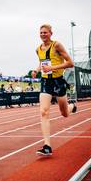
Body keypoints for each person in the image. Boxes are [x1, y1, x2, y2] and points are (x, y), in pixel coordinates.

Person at [32, 24, 77, 156]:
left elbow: (70, 63)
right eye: (41, 32)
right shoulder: (38, 49)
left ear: (51, 33)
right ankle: (47, 146)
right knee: (44, 112)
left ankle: (72, 106)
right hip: (46, 82)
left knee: (64, 113)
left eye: (45, 32)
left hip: (58, 81)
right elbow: (42, 63)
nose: (43, 34)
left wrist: (52, 68)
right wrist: (36, 70)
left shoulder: (57, 45)